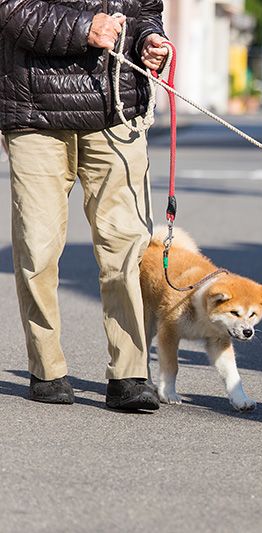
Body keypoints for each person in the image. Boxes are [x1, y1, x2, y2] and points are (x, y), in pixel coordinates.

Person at [1, 0, 170, 410]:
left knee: (127, 248)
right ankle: (47, 368)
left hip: (116, 110)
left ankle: (130, 373)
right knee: (37, 249)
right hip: (35, 114)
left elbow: (146, 10)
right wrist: (84, 29)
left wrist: (150, 39)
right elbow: (11, 10)